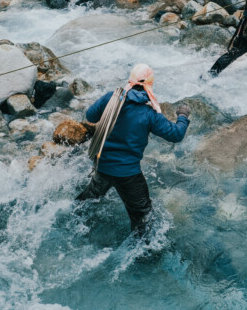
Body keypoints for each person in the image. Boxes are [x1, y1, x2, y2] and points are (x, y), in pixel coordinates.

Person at [76, 64, 191, 233]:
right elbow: (176, 135)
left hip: (103, 165)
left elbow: (91, 116)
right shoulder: (149, 114)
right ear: (149, 86)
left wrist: (108, 106)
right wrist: (182, 116)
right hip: (128, 174)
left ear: (130, 81)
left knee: (88, 200)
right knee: (143, 217)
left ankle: (70, 219)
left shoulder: (111, 98)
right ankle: (143, 255)